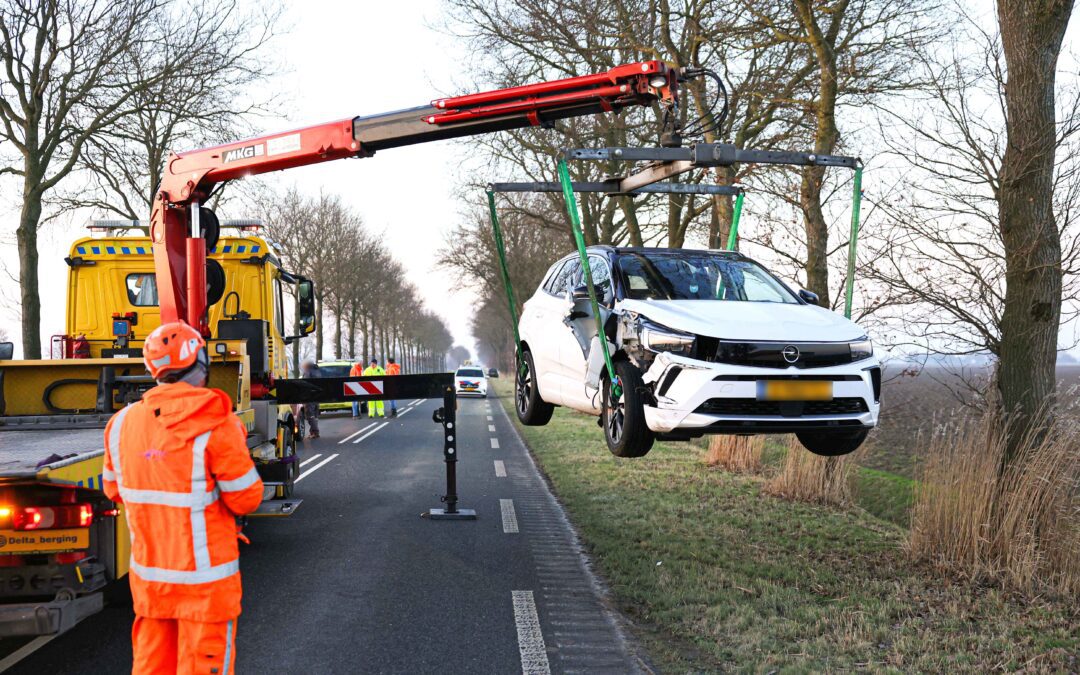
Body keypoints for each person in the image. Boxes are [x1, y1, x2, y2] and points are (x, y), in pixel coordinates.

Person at [102, 320, 263, 675]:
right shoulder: (217, 423)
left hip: (152, 587)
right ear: (200, 364)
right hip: (205, 589)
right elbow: (246, 498)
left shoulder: (121, 424)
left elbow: (114, 489)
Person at [300, 359, 322, 438]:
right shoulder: (317, 371)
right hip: (317, 396)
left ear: (306, 365)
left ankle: (315, 432)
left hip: (310, 396)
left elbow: (305, 383)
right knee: (315, 415)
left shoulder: (308, 372)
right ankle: (313, 432)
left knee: (310, 414)